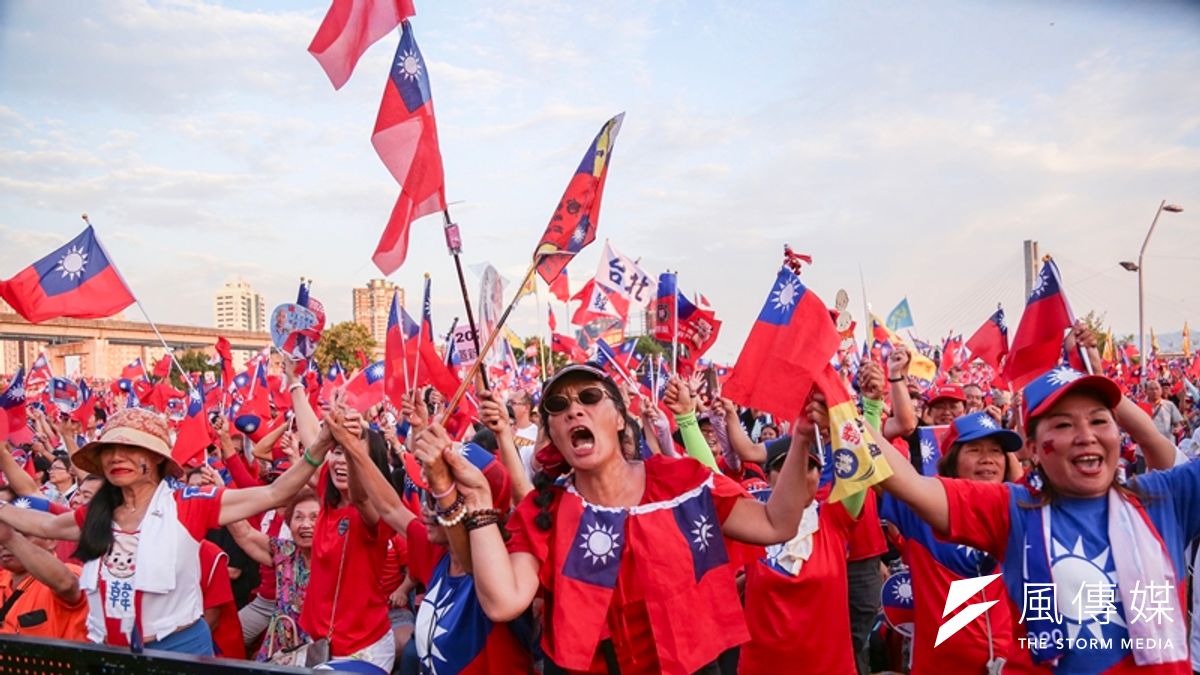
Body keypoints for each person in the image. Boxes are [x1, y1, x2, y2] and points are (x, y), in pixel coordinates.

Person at [435, 363, 819, 674]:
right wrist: (475, 500)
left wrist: (801, 437)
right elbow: (503, 602)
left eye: (589, 397)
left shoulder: (680, 482)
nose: (573, 410)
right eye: (557, 406)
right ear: (551, 431)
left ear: (619, 419)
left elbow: (776, 525)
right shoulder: (546, 508)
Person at [876, 365, 1196, 673]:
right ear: (1032, 448)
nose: (1086, 436)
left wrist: (1091, 373)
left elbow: (1153, 440)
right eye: (1063, 425)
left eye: (1099, 421)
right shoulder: (1013, 509)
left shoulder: (1163, 499)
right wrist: (844, 410)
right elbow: (908, 483)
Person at [0, 405, 332, 655]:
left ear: (157, 458)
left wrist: (318, 447)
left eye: (131, 450)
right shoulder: (98, 513)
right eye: (109, 451)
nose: (118, 457)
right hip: (107, 647)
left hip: (177, 648)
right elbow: (47, 525)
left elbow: (275, 493)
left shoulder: (190, 503)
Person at [342, 389, 529, 675]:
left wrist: (503, 433)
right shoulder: (435, 552)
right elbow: (390, 508)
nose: (426, 510)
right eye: (429, 496)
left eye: (440, 497)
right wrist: (352, 446)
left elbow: (524, 500)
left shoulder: (505, 572)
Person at [228, 488, 319, 661]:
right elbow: (244, 533)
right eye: (298, 517)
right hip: (279, 651)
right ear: (289, 524)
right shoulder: (286, 553)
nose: (306, 524)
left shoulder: (339, 558)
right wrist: (219, 493)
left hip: (320, 654)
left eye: (314, 517)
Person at [0, 504, 87, 641]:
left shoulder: (71, 573)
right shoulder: (2, 579)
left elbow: (67, 585)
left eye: (23, 535)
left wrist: (10, 539)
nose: (4, 545)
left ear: (51, 540)